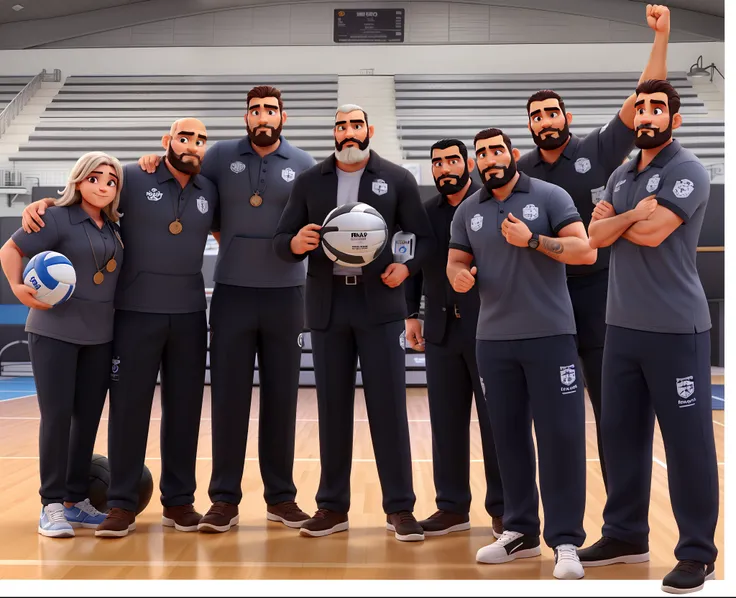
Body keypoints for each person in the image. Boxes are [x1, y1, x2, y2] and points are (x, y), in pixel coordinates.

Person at [22, 118, 218, 537]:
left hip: (188, 315)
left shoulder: (210, 188)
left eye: (201, 139)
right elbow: (86, 195)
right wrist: (42, 206)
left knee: (184, 412)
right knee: (128, 412)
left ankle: (179, 503)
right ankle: (122, 504)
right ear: (167, 141)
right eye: (184, 137)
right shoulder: (130, 175)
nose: (193, 144)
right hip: (133, 315)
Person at [137, 86, 316, 532]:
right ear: (245, 116)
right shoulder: (216, 155)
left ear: (283, 117)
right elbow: (186, 177)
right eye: (255, 109)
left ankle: (281, 498)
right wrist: (151, 161)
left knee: (281, 400)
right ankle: (224, 500)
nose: (262, 116)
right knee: (229, 401)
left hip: (287, 295)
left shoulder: (304, 164)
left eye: (270, 110)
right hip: (233, 293)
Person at [515, 3, 671, 490]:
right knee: (550, 420)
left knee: (614, 414)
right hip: (544, 301)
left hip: (601, 298)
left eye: (551, 112)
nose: (545, 121)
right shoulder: (519, 172)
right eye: (536, 116)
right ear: (530, 127)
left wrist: (661, 37)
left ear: (567, 116)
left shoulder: (596, 150)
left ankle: (621, 519)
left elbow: (644, 99)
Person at [580, 79, 719, 595]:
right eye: (642, 107)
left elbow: (654, 232)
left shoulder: (687, 170)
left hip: (675, 330)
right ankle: (624, 535)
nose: (648, 114)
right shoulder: (621, 173)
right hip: (621, 327)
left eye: (658, 108)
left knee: (688, 446)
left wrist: (621, 220)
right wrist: (625, 217)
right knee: (619, 437)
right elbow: (594, 239)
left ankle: (697, 553)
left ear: (674, 120)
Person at [274, 104, 434, 541]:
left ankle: (400, 508)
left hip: (380, 306)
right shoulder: (310, 181)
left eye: (355, 125)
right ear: (334, 132)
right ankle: (331, 507)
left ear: (369, 130)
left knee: (388, 409)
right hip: (327, 307)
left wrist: (405, 268)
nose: (348, 132)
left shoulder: (396, 178)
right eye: (341, 125)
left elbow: (422, 239)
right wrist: (294, 242)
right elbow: (280, 243)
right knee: (331, 409)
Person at [447, 128, 597, 579]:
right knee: (506, 438)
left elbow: (584, 250)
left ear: (512, 155)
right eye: (482, 154)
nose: (490, 159)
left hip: (550, 336)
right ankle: (520, 532)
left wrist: (532, 240)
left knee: (561, 437)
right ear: (476, 163)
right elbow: (456, 262)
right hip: (493, 341)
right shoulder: (468, 210)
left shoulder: (549, 195)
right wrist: (458, 277)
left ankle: (566, 539)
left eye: (497, 151)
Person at [1, 152, 124, 537]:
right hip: (54, 332)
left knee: (86, 419)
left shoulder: (115, 226)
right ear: (78, 180)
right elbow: (9, 250)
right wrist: (19, 290)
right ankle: (51, 505)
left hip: (100, 336)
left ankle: (76, 502)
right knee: (56, 418)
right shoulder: (53, 216)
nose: (103, 185)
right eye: (94, 178)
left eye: (111, 180)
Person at [404, 138, 504, 538]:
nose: (444, 168)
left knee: (497, 423)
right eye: (437, 162)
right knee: (445, 424)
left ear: (468, 164)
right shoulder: (424, 215)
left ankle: (504, 506)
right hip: (441, 332)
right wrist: (411, 314)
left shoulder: (491, 206)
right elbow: (411, 265)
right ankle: (452, 507)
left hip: (489, 329)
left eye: (451, 160)